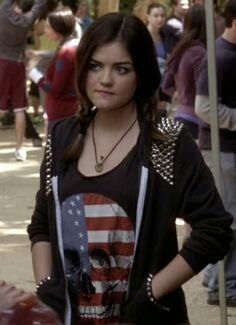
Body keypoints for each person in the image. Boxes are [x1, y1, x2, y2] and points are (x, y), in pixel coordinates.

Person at [27, 12, 233, 324]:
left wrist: (151, 291)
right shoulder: (61, 136)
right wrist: (46, 289)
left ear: (142, 75)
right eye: (95, 66)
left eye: (121, 69)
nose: (105, 79)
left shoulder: (166, 140)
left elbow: (214, 229)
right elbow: (42, 224)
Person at [195, 0, 236, 306]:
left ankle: (214, 277)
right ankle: (224, 288)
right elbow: (204, 107)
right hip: (222, 151)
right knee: (231, 221)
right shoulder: (219, 56)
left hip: (230, 151)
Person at [0, 0, 47, 161]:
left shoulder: (4, 9)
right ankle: (19, 149)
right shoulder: (29, 19)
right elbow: (40, 4)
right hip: (18, 64)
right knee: (20, 108)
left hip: (1, 62)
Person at [28, 7, 80, 135]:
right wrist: (40, 54)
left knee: (55, 152)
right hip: (69, 110)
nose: (45, 31)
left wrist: (33, 73)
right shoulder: (75, 45)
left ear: (58, 29)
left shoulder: (66, 52)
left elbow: (55, 90)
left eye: (48, 27)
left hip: (61, 113)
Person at [162, 4, 206, 141]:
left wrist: (181, 94)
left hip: (181, 115)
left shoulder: (181, 49)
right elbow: (203, 88)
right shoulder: (198, 52)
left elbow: (166, 86)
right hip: (195, 120)